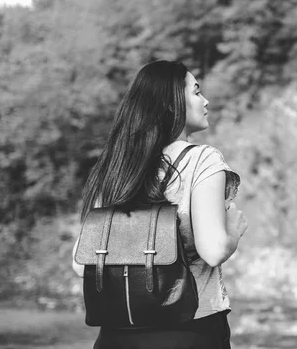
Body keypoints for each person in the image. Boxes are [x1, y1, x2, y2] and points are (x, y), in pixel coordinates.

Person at [71, 60, 248, 349]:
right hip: (190, 329)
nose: (206, 101)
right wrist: (233, 232)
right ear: (171, 103)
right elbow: (213, 251)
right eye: (196, 91)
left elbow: (81, 264)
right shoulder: (202, 159)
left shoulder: (118, 166)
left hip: (116, 334)